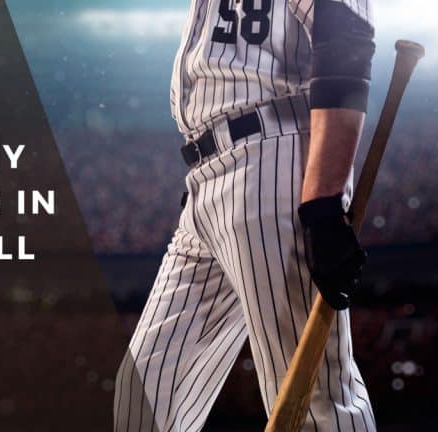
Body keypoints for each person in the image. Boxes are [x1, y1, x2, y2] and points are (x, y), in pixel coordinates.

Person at [114, 0, 376, 430]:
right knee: (146, 396)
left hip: (272, 161)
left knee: (315, 403)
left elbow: (344, 34)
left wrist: (324, 203)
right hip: (207, 174)